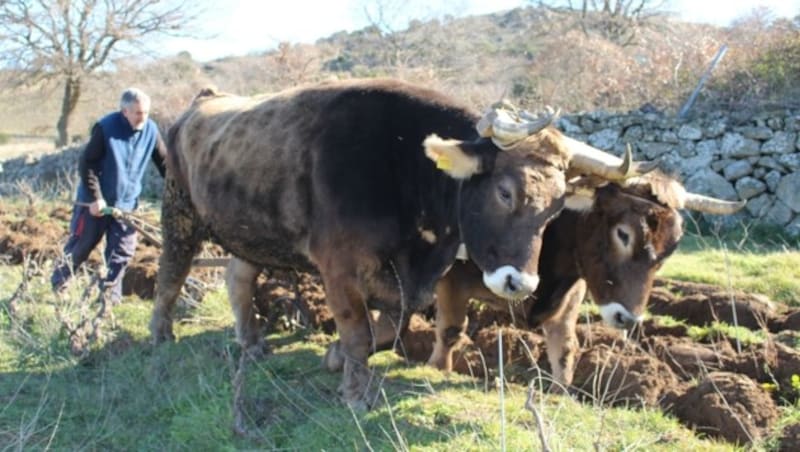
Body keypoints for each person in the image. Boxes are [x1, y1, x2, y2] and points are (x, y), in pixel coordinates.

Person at [51, 88, 167, 304]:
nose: (143, 118)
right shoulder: (106, 128)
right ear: (124, 111)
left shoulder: (150, 129)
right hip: (96, 202)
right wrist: (96, 197)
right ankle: (60, 284)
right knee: (82, 246)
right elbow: (88, 164)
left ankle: (109, 297)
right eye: (138, 113)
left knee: (122, 252)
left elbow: (164, 163)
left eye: (146, 113)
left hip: (127, 203)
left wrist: (176, 186)